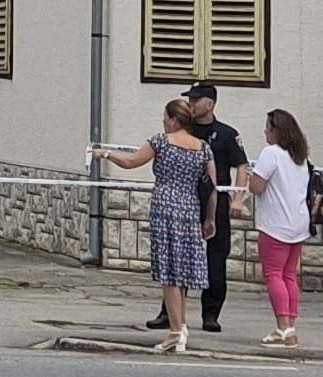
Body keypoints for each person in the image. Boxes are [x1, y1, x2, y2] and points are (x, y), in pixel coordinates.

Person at [95, 98, 216, 353]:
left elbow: (131, 162)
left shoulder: (161, 141)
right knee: (182, 271)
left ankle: (173, 332)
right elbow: (212, 188)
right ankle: (181, 325)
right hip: (189, 210)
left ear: (174, 119)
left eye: (165, 117)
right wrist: (210, 218)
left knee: (168, 273)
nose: (163, 121)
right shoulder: (203, 148)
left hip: (165, 209)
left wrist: (105, 154)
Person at [142, 82, 249, 333]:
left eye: (196, 100)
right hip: (186, 202)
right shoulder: (185, 132)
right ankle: (170, 314)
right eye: (189, 100)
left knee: (215, 257)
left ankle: (210, 313)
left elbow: (241, 166)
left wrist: (238, 198)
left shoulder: (226, 134)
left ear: (209, 104)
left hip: (215, 200)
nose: (191, 104)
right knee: (177, 256)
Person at [248, 109, 312, 347]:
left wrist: (247, 177)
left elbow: (257, 187)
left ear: (277, 131)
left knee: (273, 275)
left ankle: (281, 326)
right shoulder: (299, 157)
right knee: (289, 276)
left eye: (268, 127)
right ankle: (291, 327)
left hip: (275, 224)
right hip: (298, 223)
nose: (265, 131)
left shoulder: (271, 153)